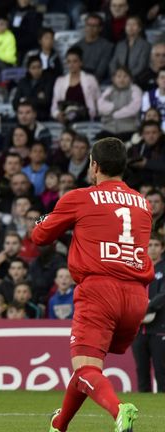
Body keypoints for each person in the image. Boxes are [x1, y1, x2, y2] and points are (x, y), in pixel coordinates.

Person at [33, 137, 153, 432]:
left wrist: (43, 219)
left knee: (86, 368)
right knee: (88, 370)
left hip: (100, 291)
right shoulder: (143, 204)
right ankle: (59, 425)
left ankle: (119, 410)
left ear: (94, 165)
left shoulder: (80, 197)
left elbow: (40, 237)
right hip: (137, 297)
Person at [132, 235, 165, 393]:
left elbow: (163, 295)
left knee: (161, 370)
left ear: (162, 248)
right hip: (138, 330)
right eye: (149, 245)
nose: (152, 248)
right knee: (141, 370)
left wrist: (145, 308)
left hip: (159, 328)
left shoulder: (164, 268)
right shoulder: (137, 268)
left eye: (156, 245)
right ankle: (143, 410)